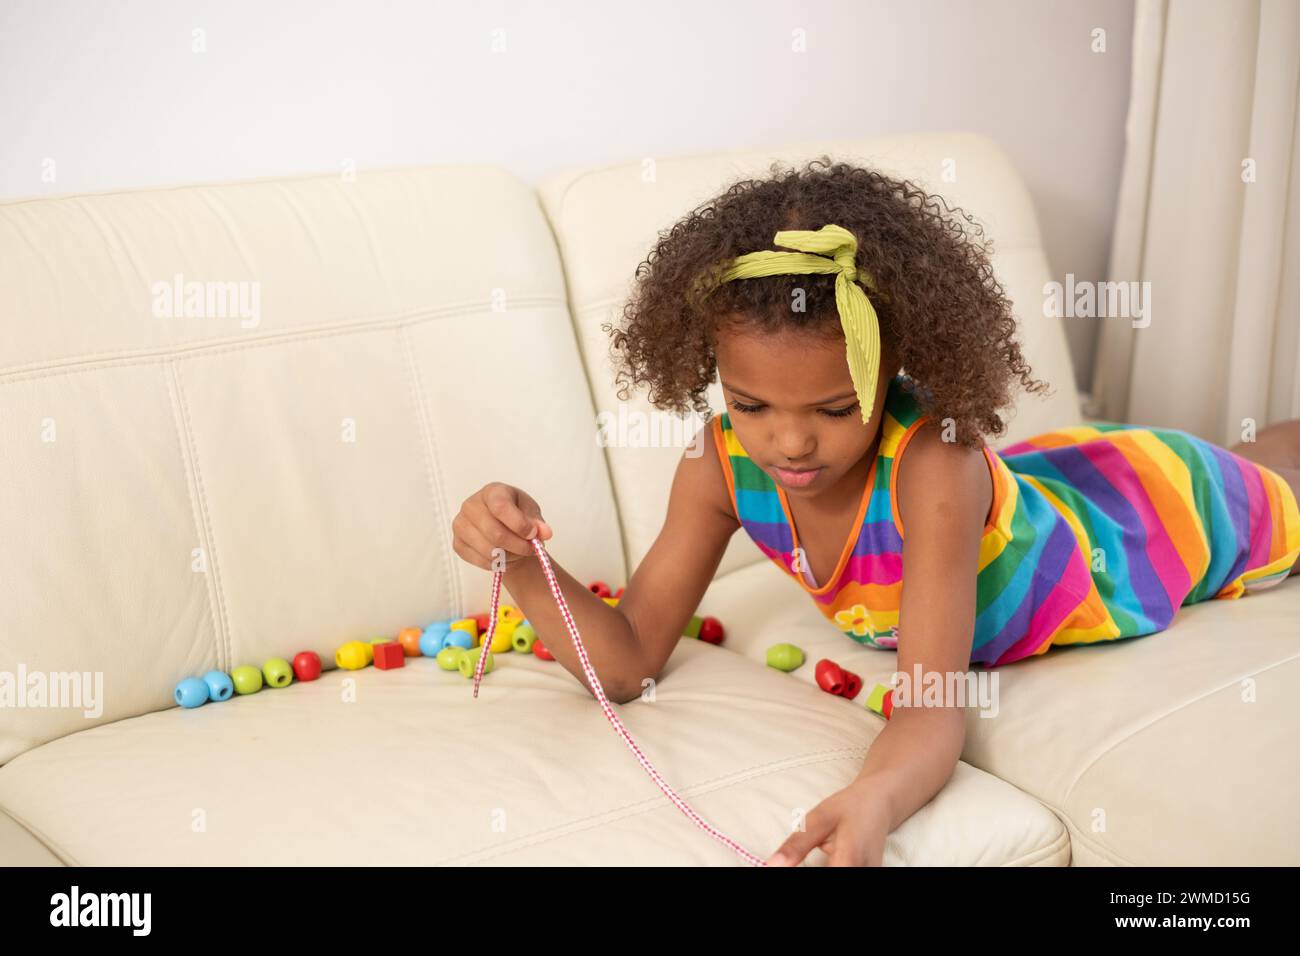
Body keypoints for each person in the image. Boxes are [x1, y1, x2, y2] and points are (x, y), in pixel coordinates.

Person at [452, 157, 1300, 866]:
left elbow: (931, 706)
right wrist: (522, 561)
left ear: (899, 365)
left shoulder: (935, 464)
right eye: (751, 404)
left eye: (831, 410)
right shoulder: (716, 464)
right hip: (1046, 485)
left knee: (1263, 484)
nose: (787, 446)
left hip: (1131, 523)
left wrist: (876, 795)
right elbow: (629, 661)